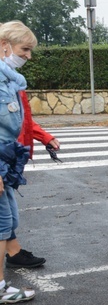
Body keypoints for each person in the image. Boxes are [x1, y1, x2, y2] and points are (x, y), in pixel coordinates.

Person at [0, 21, 37, 303]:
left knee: (7, 220)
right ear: (5, 46)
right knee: (2, 224)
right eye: (25, 49)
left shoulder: (7, 79)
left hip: (5, 159)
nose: (28, 56)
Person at [4, 89, 60, 268]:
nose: (28, 58)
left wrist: (45, 137)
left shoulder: (11, 83)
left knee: (9, 217)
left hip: (11, 159)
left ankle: (13, 251)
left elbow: (22, 121)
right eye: (24, 56)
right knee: (5, 218)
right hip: (4, 160)